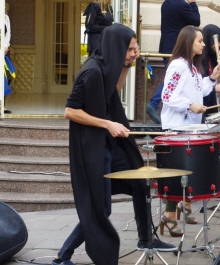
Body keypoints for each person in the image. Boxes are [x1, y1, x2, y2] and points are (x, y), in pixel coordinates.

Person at [51, 24, 175, 265]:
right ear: (115, 47)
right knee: (102, 209)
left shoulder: (107, 68)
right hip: (92, 150)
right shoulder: (91, 72)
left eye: (135, 48)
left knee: (140, 183)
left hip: (107, 146)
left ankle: (146, 238)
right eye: (129, 49)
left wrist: (126, 65)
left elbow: (112, 92)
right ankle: (62, 256)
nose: (133, 52)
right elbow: (70, 111)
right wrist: (108, 124)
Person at [158, 26, 220, 236]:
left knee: (184, 174)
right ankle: (169, 217)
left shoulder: (192, 68)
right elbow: (167, 96)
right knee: (176, 174)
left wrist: (212, 80)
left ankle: (176, 212)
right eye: (199, 41)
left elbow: (198, 91)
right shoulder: (178, 66)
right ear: (189, 42)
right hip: (176, 127)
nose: (204, 44)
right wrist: (190, 105)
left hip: (188, 127)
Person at [146, 0, 201, 124]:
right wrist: (193, 3)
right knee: (172, 78)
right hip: (177, 47)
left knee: (170, 76)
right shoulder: (183, 5)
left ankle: (154, 103)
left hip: (166, 46)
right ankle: (154, 102)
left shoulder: (166, 3)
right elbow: (196, 21)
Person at [201, 24, 220, 121]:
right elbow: (198, 86)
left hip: (209, 100)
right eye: (218, 41)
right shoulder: (197, 60)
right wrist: (214, 88)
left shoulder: (211, 58)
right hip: (199, 105)